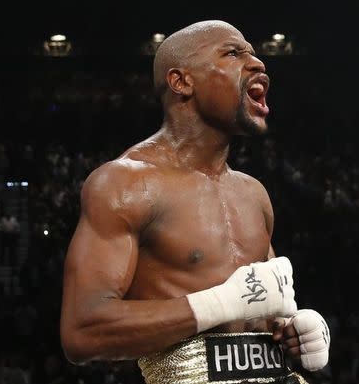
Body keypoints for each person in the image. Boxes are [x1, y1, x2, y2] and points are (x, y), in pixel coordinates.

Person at [60, 20, 330, 384]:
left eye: (253, 52)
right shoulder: (126, 183)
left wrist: (297, 329)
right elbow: (83, 330)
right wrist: (219, 304)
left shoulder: (253, 193)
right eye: (234, 53)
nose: (257, 64)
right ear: (181, 82)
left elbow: (261, 302)